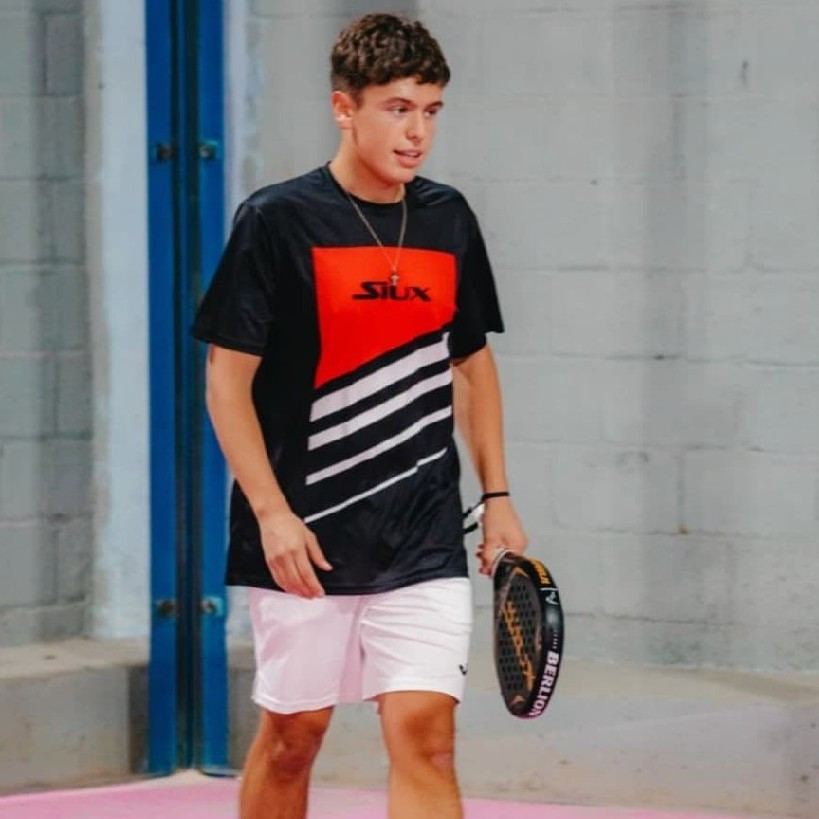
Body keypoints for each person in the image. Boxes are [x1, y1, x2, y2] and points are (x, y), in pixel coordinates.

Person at [192, 13, 527, 819]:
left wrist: (498, 497)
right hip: (304, 539)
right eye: (397, 108)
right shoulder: (276, 220)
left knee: (426, 737)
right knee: (293, 736)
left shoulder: (447, 218)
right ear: (344, 108)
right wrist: (271, 513)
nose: (417, 133)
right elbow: (226, 383)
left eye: (431, 111)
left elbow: (471, 363)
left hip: (422, 535)